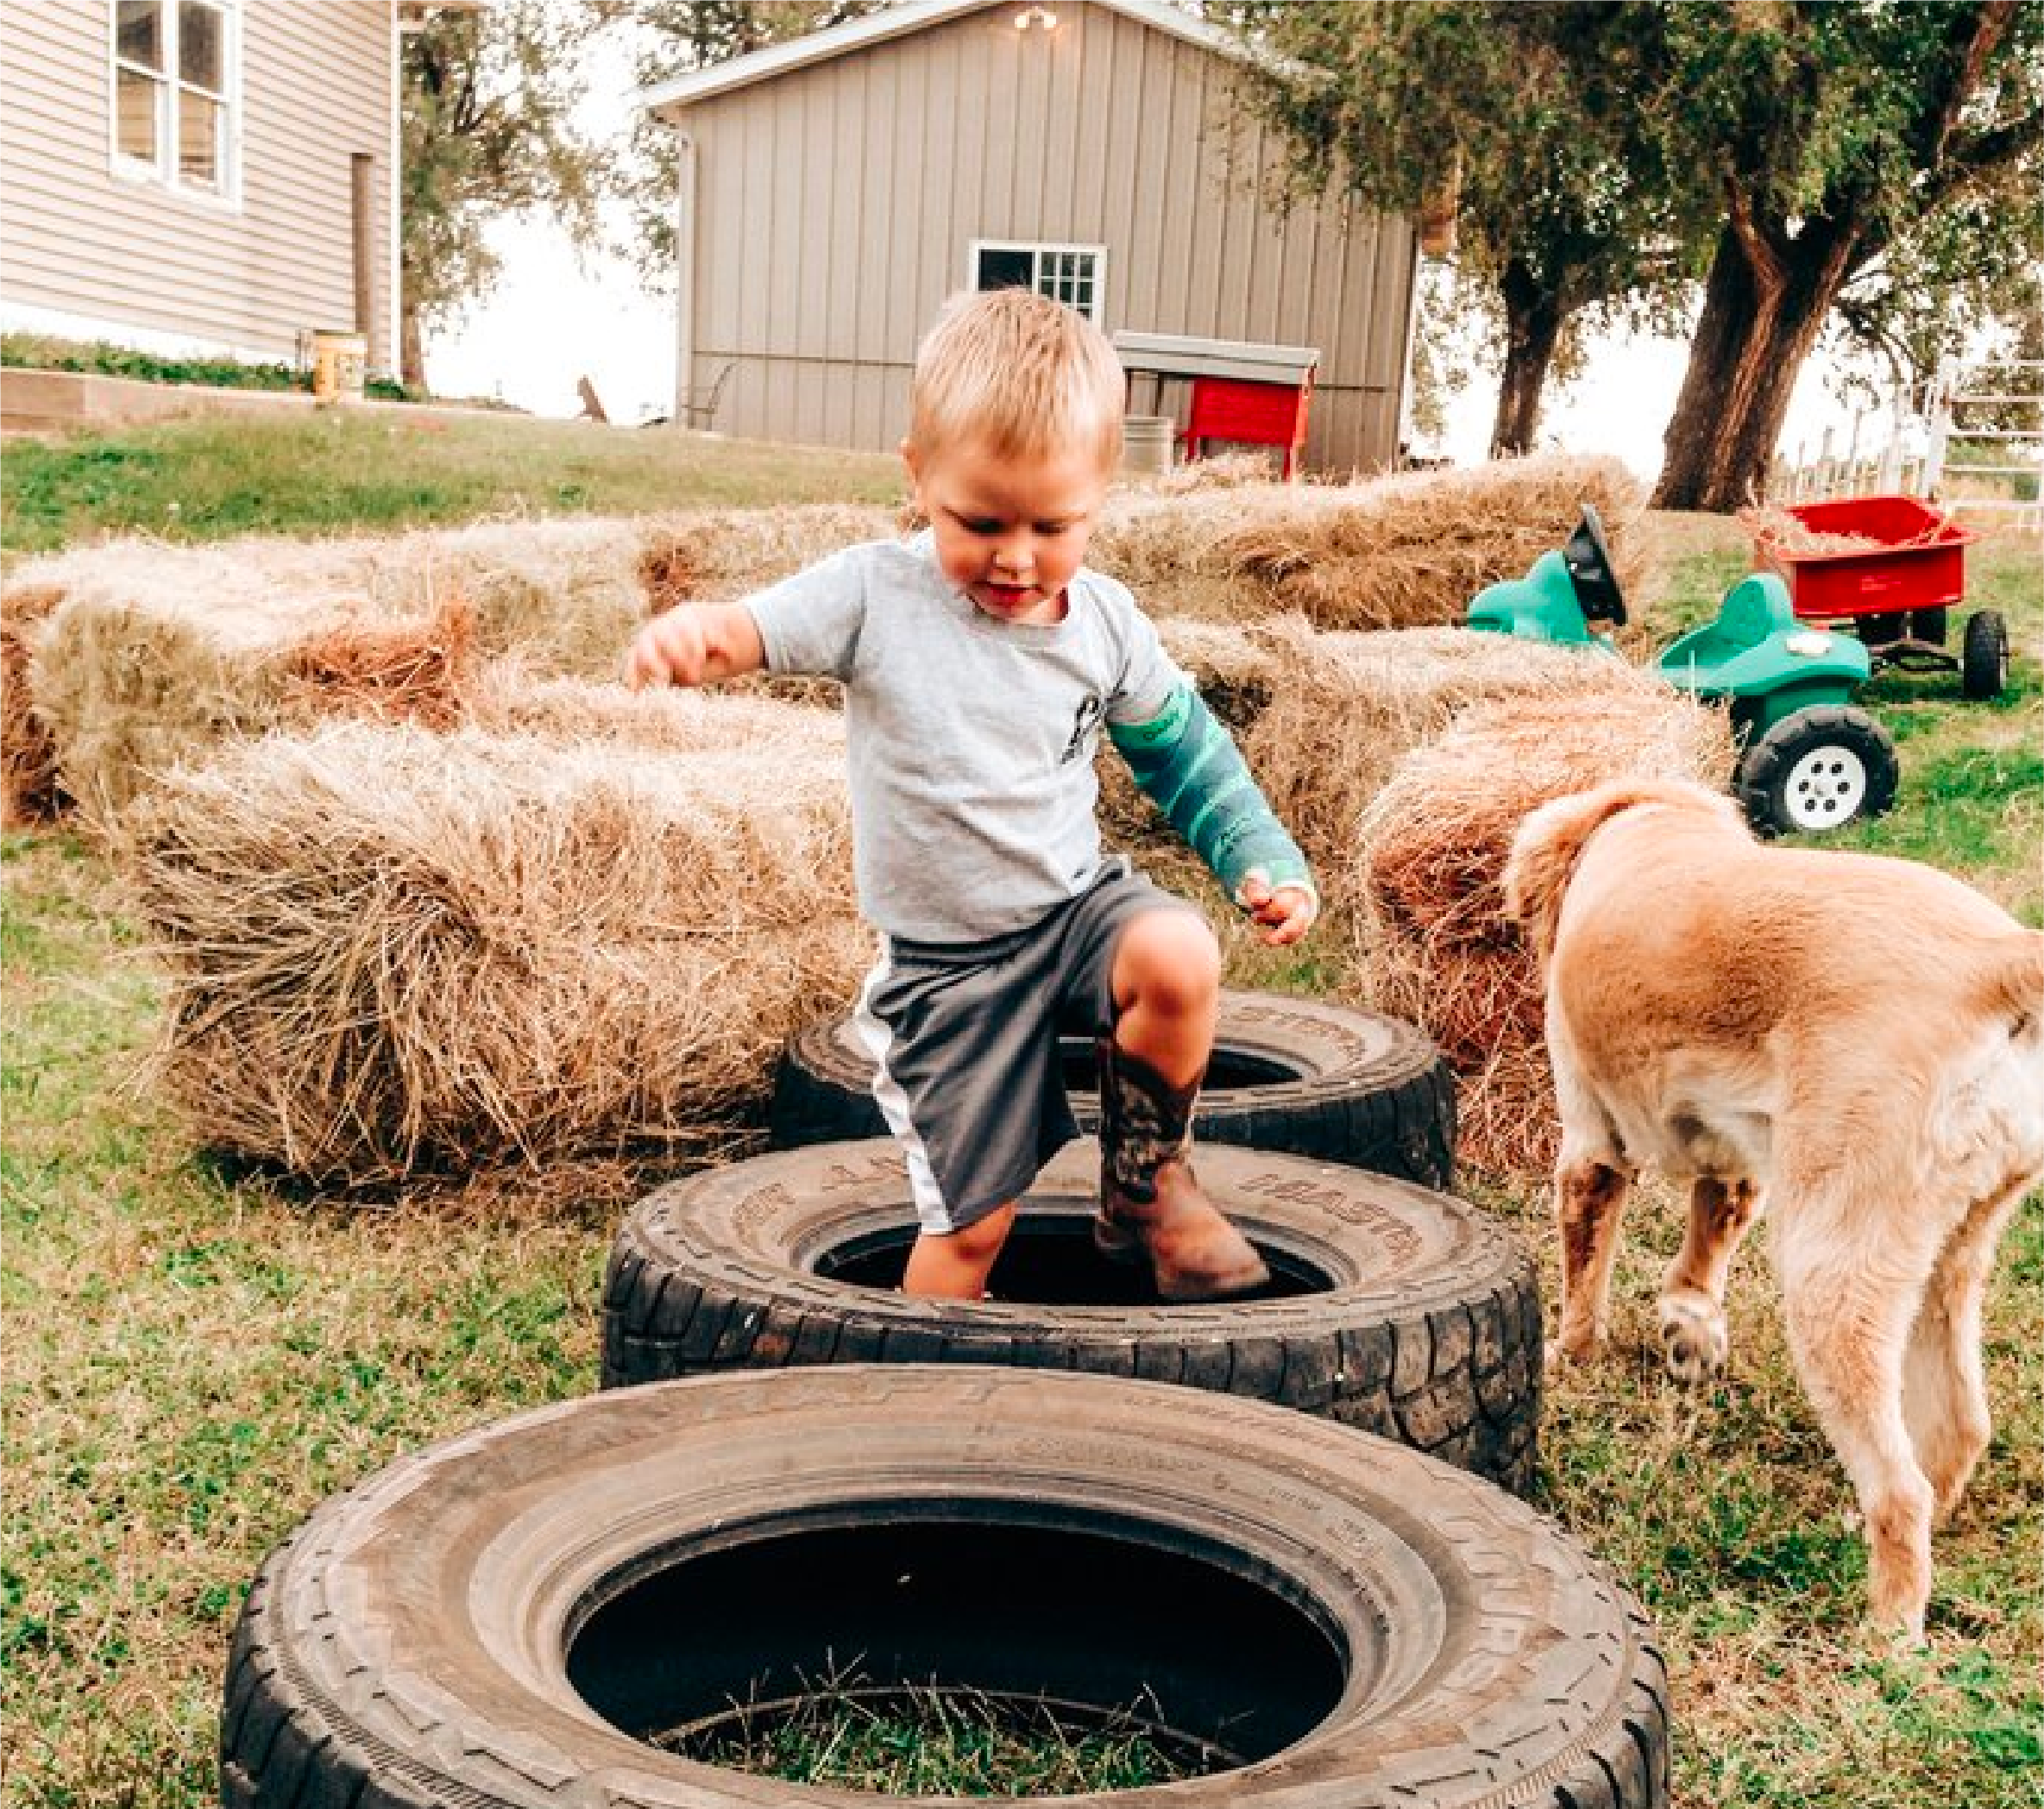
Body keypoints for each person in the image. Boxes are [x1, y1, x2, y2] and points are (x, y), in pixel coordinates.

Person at [625, 289, 1317, 1303]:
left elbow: (1183, 751)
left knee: (1177, 952)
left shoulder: (1107, 623)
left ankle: (1144, 1184)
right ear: (918, 477)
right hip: (951, 974)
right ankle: (918, 1393)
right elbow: (753, 629)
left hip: (1074, 914)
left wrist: (1257, 851)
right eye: (979, 520)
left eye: (1053, 523)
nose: (1016, 556)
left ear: (1102, 494)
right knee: (970, 1232)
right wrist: (697, 637)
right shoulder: (874, 596)